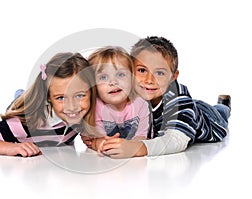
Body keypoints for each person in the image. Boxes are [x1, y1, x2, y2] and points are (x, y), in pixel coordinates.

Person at [95, 36, 231, 158]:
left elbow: (176, 140)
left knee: (220, 112)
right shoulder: (126, 89)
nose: (149, 80)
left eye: (159, 73)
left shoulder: (179, 100)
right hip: (186, 107)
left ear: (173, 76)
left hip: (209, 119)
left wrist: (138, 148)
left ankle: (223, 105)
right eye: (142, 70)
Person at [0, 52, 97, 157]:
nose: (71, 106)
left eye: (80, 95)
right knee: (21, 99)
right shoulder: (24, 125)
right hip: (28, 108)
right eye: (61, 98)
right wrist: (11, 148)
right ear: (49, 97)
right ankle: (20, 95)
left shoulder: (87, 114)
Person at [81, 46, 151, 152]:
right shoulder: (95, 107)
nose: (113, 82)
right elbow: (97, 140)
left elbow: (142, 137)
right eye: (103, 77)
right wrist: (101, 143)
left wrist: (130, 149)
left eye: (120, 74)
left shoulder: (141, 103)